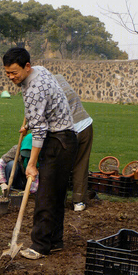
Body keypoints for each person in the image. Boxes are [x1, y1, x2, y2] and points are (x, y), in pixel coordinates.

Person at [1, 47, 76, 259]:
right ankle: (55, 241)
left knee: (45, 195)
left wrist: (32, 163)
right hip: (67, 138)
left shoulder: (35, 88)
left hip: (57, 141)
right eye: (7, 73)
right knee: (56, 194)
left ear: (27, 66)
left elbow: (41, 129)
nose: (11, 77)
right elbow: (44, 110)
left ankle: (40, 246)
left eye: (14, 72)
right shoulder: (40, 70)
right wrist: (31, 123)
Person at [54, 74, 94, 211]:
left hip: (70, 130)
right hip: (86, 125)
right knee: (81, 164)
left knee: (60, 166)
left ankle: (59, 201)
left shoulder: (46, 88)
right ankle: (78, 201)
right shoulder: (60, 79)